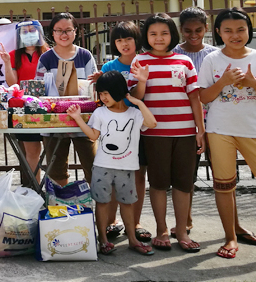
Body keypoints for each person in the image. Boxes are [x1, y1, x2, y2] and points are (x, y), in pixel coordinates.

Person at [198, 7, 256, 259]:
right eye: (228, 30)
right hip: (219, 130)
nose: (235, 35)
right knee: (223, 186)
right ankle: (231, 237)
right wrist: (224, 81)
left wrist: (254, 83)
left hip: (254, 130)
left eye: (240, 29)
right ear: (219, 32)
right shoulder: (212, 60)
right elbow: (203, 97)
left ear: (248, 31)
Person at [128, 13, 205, 253]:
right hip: (153, 134)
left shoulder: (185, 61)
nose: (159, 38)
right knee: (159, 184)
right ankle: (162, 230)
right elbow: (136, 98)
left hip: (185, 133)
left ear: (172, 34)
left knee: (184, 185)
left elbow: (195, 98)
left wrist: (200, 130)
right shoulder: (139, 61)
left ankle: (181, 231)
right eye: (153, 33)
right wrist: (142, 80)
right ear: (146, 36)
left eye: (164, 33)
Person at [66, 71, 157, 256]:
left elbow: (152, 123)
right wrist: (77, 118)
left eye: (106, 93)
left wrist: (138, 102)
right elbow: (93, 136)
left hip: (127, 167)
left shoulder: (135, 113)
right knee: (102, 202)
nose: (103, 97)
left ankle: (132, 239)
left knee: (127, 203)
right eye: (100, 94)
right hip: (102, 166)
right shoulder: (100, 112)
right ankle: (103, 240)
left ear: (118, 91)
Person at [88, 21, 150, 243]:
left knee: (137, 177)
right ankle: (113, 221)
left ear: (137, 40)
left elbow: (140, 97)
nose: (124, 44)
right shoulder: (108, 67)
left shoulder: (144, 62)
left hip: (138, 128)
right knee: (113, 177)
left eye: (129, 39)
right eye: (119, 40)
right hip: (112, 131)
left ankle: (137, 221)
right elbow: (102, 98)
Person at [170, 7, 219, 240]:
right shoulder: (173, 53)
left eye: (198, 30)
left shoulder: (215, 55)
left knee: (222, 175)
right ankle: (186, 219)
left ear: (206, 29)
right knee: (186, 175)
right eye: (188, 30)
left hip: (217, 122)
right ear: (181, 30)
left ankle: (233, 225)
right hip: (186, 124)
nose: (193, 35)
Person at [35, 12, 98, 185]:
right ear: (52, 33)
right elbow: (38, 89)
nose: (64, 34)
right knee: (56, 172)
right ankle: (59, 207)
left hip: (83, 122)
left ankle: (96, 208)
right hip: (53, 122)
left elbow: (93, 88)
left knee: (93, 167)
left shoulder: (85, 56)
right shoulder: (46, 58)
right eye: (59, 30)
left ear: (76, 32)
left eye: (68, 30)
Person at [0, 20, 48, 187]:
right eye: (24, 32)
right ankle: (35, 188)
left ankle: (55, 191)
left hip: (49, 107)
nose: (29, 34)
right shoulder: (12, 55)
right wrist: (6, 62)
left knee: (55, 152)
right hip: (25, 109)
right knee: (32, 152)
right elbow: (13, 83)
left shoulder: (48, 53)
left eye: (32, 30)